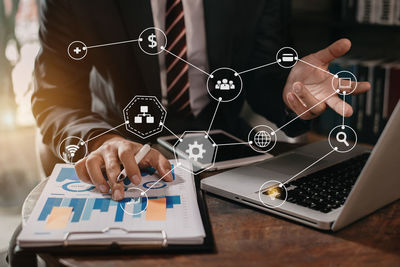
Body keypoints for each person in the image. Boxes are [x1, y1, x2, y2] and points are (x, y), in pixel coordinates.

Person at [32, 0, 370, 202]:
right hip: (124, 149)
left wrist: (293, 94)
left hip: (223, 149)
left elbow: (261, 78)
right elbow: (54, 96)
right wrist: (102, 140)